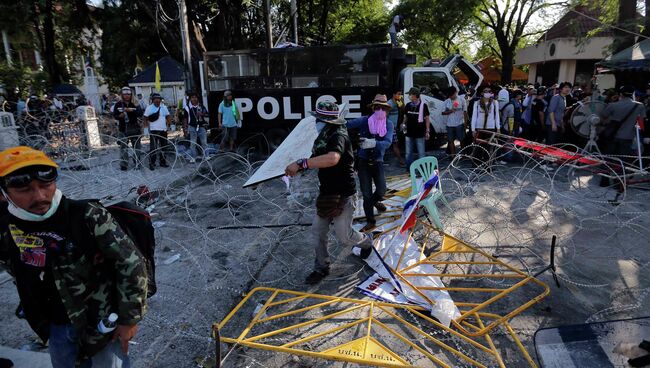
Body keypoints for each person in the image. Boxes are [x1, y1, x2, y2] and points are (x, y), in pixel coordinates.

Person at [0, 146, 147, 368]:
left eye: (45, 185)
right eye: (26, 190)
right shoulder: (8, 228)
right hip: (56, 327)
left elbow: (131, 264)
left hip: (102, 327)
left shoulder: (86, 215)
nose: (39, 196)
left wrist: (129, 319)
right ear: (4, 193)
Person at [284, 101, 372, 284]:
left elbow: (333, 158)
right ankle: (321, 268)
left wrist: (302, 163)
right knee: (317, 233)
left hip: (344, 195)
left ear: (327, 121)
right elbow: (318, 159)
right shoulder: (322, 137)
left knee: (344, 236)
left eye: (319, 120)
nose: (316, 123)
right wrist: (297, 169)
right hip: (326, 194)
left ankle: (366, 241)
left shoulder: (338, 135)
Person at [347, 95, 394, 231]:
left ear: (386, 110)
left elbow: (387, 142)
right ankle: (370, 220)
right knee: (366, 193)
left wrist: (373, 143)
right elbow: (348, 124)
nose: (380, 110)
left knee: (382, 190)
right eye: (377, 107)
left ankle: (374, 202)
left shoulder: (388, 124)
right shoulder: (364, 120)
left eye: (383, 108)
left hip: (378, 161)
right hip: (363, 162)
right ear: (373, 108)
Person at [602, 85, 647, 157]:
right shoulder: (640, 106)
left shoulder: (612, 105)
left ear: (620, 94)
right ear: (632, 94)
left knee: (610, 158)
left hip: (613, 134)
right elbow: (641, 123)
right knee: (624, 158)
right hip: (628, 136)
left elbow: (603, 116)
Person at [112, 87, 143, 171]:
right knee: (123, 147)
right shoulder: (118, 104)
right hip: (123, 128)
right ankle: (124, 164)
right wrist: (119, 116)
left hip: (134, 127)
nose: (127, 96)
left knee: (136, 146)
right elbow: (115, 115)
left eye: (128, 94)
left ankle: (137, 162)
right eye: (125, 94)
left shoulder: (135, 103)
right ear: (122, 94)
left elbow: (140, 113)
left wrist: (131, 111)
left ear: (131, 94)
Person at [401, 87, 431, 170]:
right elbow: (406, 116)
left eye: (410, 95)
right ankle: (409, 169)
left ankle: (422, 170)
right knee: (408, 153)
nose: (409, 96)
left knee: (421, 153)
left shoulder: (423, 106)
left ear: (414, 95)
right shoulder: (408, 105)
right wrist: (403, 124)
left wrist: (427, 131)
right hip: (409, 132)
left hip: (420, 133)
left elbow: (427, 118)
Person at [143, 93, 171, 170]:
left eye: (159, 99)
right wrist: (145, 129)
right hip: (153, 131)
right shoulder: (149, 108)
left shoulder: (164, 107)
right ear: (152, 100)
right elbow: (145, 119)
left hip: (163, 130)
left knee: (164, 147)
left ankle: (163, 162)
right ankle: (152, 163)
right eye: (155, 99)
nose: (157, 100)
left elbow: (168, 116)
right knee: (153, 148)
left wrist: (170, 125)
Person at [184, 92, 209, 162]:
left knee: (204, 142)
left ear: (197, 98)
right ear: (190, 99)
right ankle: (193, 157)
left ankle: (206, 156)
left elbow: (206, 114)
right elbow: (185, 118)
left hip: (201, 126)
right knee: (193, 143)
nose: (194, 99)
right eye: (192, 97)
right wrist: (185, 128)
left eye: (195, 97)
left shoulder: (201, 106)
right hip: (192, 126)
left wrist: (202, 114)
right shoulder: (187, 107)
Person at [442, 86, 467, 156]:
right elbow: (442, 112)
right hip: (449, 124)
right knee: (450, 140)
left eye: (452, 95)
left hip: (459, 123)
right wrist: (450, 111)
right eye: (449, 95)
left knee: (462, 140)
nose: (451, 97)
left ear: (456, 92)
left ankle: (463, 154)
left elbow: (465, 112)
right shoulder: (447, 101)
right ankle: (453, 155)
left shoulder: (462, 100)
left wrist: (465, 123)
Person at [387, 90, 405, 167]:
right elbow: (386, 115)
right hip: (392, 127)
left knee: (396, 143)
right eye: (398, 94)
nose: (399, 95)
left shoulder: (398, 102)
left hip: (397, 126)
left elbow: (403, 109)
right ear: (394, 94)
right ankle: (401, 161)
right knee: (395, 144)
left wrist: (401, 102)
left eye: (400, 94)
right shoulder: (389, 103)